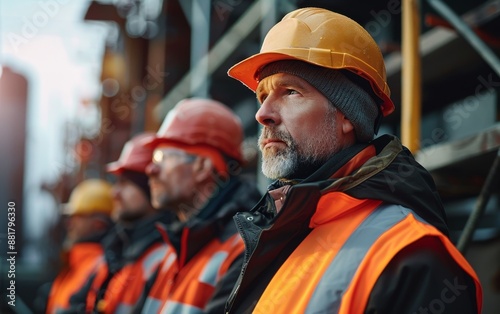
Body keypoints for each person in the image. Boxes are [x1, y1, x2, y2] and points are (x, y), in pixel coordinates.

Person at [225, 7, 482, 313]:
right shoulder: (282, 230)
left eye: (291, 92)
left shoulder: (411, 255)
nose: (262, 114)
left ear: (348, 116)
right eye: (263, 96)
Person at [140, 98, 262, 313]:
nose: (150, 170)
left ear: (203, 166)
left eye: (161, 157)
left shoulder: (244, 250)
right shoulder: (175, 250)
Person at [66, 132, 174, 314]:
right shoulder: (117, 250)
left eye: (125, 183)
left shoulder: (163, 257)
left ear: (151, 188)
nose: (114, 193)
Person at [44, 179, 114, 314]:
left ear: (98, 224)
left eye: (77, 217)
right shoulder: (74, 264)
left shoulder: (102, 268)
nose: (69, 224)